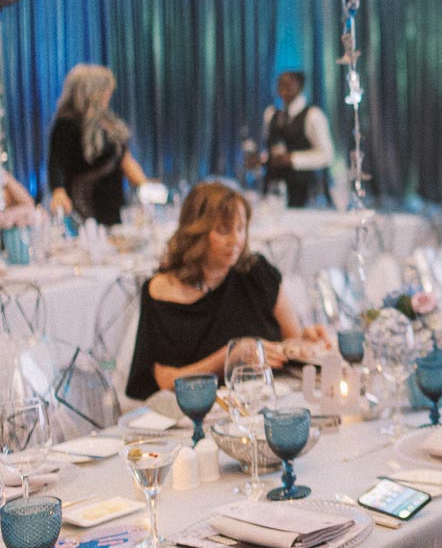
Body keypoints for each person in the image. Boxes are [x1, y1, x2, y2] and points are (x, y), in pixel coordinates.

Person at [125, 181, 333, 400]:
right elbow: (167, 381)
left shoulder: (256, 273)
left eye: (240, 229)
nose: (236, 240)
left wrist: (307, 342)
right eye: (224, 230)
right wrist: (231, 355)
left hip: (268, 400)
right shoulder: (161, 291)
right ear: (197, 232)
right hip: (198, 415)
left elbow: (292, 341)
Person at [47, 64, 149, 226]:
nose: (108, 94)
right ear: (91, 91)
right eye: (105, 89)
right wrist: (58, 191)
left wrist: (146, 188)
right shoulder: (67, 123)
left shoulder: (108, 121)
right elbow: (57, 162)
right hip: (85, 203)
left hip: (112, 201)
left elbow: (125, 159)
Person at [256, 71, 334, 208]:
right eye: (280, 85)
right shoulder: (271, 114)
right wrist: (261, 160)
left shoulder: (313, 115)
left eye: (289, 85)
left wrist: (293, 159)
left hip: (304, 190)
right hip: (275, 190)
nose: (284, 89)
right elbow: (268, 147)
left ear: (300, 87)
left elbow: (327, 156)